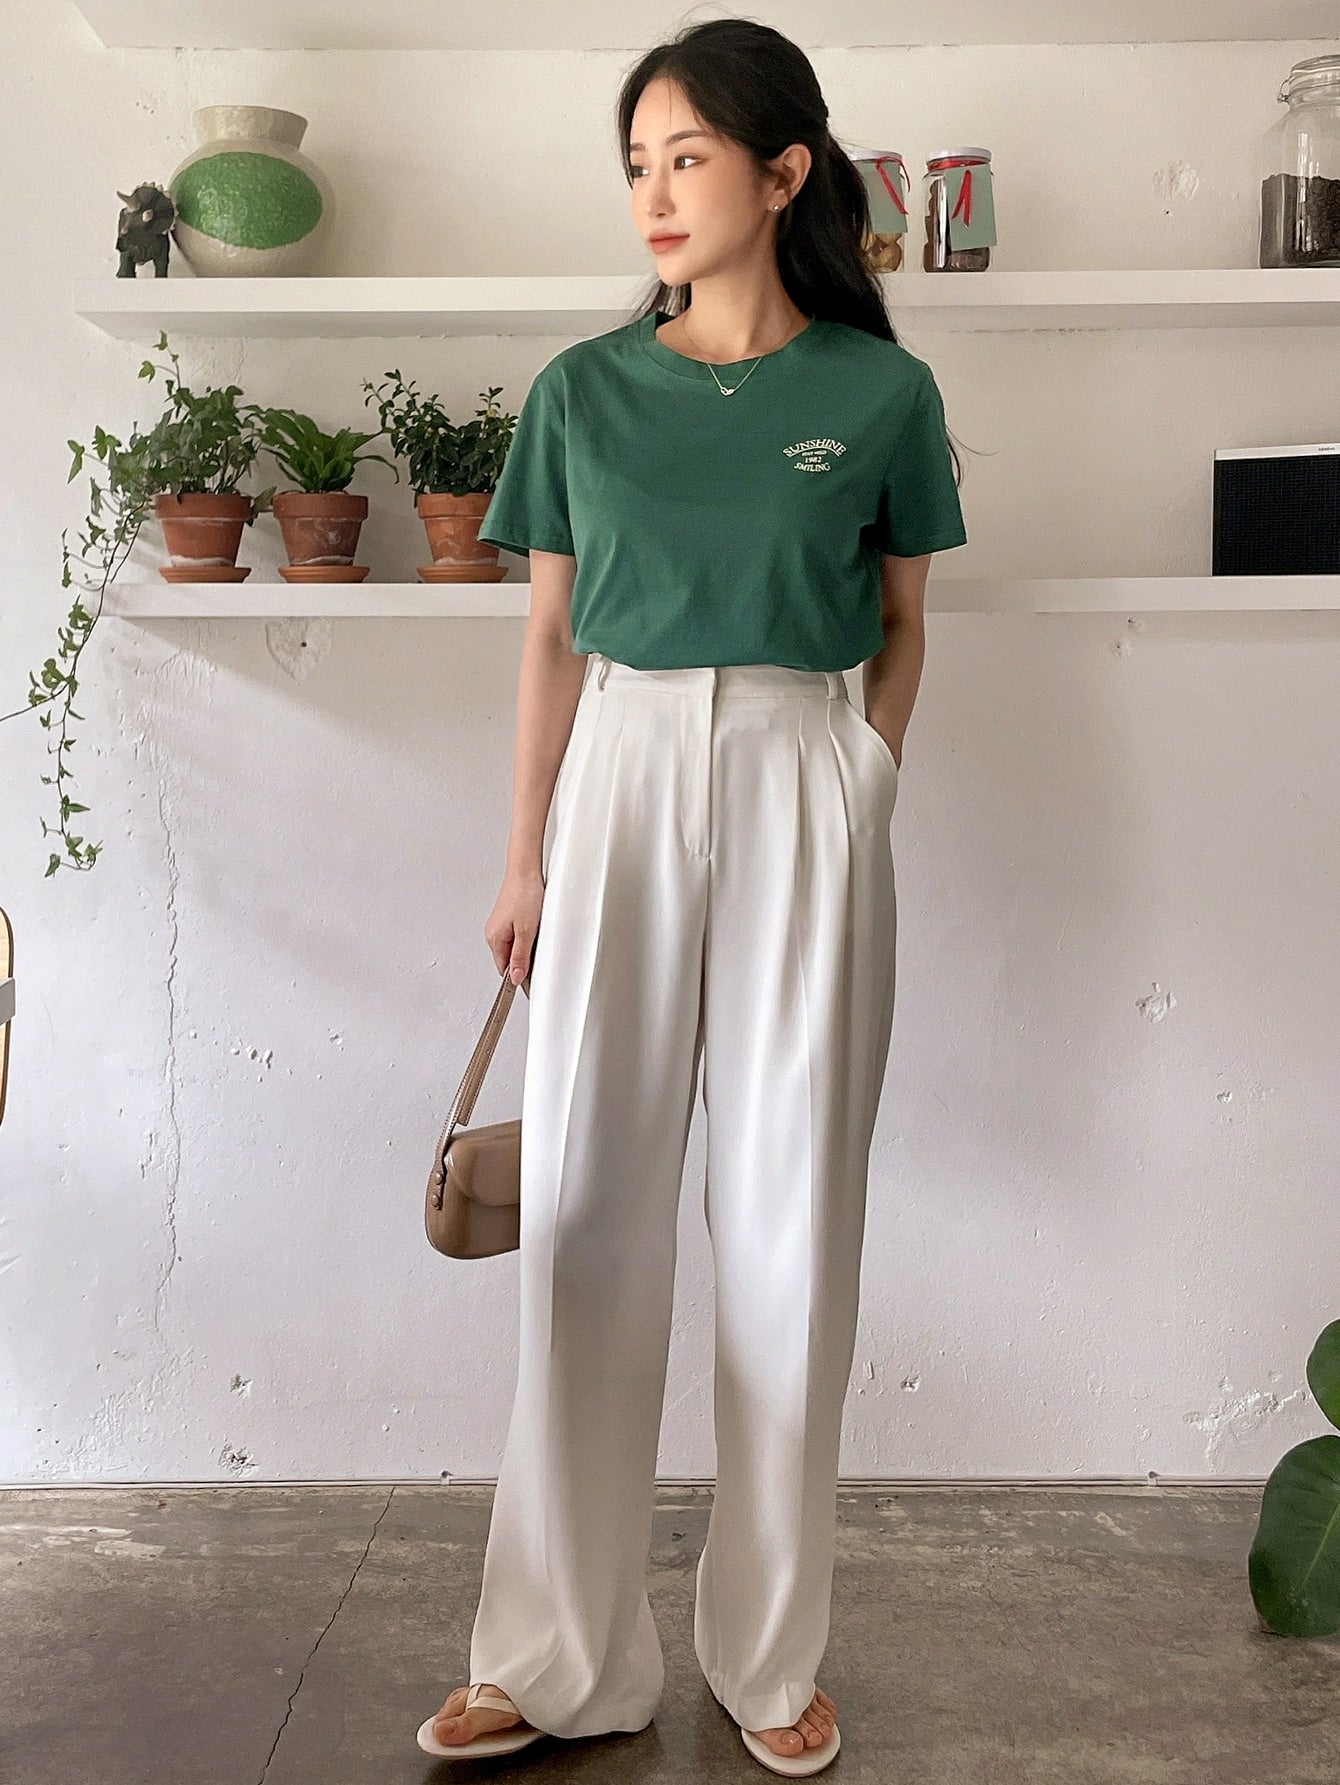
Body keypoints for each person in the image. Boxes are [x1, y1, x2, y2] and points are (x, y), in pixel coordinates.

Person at [418, 16, 967, 1776]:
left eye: (689, 158)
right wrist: (525, 851)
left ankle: (769, 1653)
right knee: (588, 1204)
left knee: (793, 1213)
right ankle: (553, 1652)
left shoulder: (878, 394)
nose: (654, 193)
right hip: (625, 767)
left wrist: (863, 774)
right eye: (637, 164)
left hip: (808, 769)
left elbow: (904, 619)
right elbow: (548, 635)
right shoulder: (583, 391)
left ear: (784, 173)